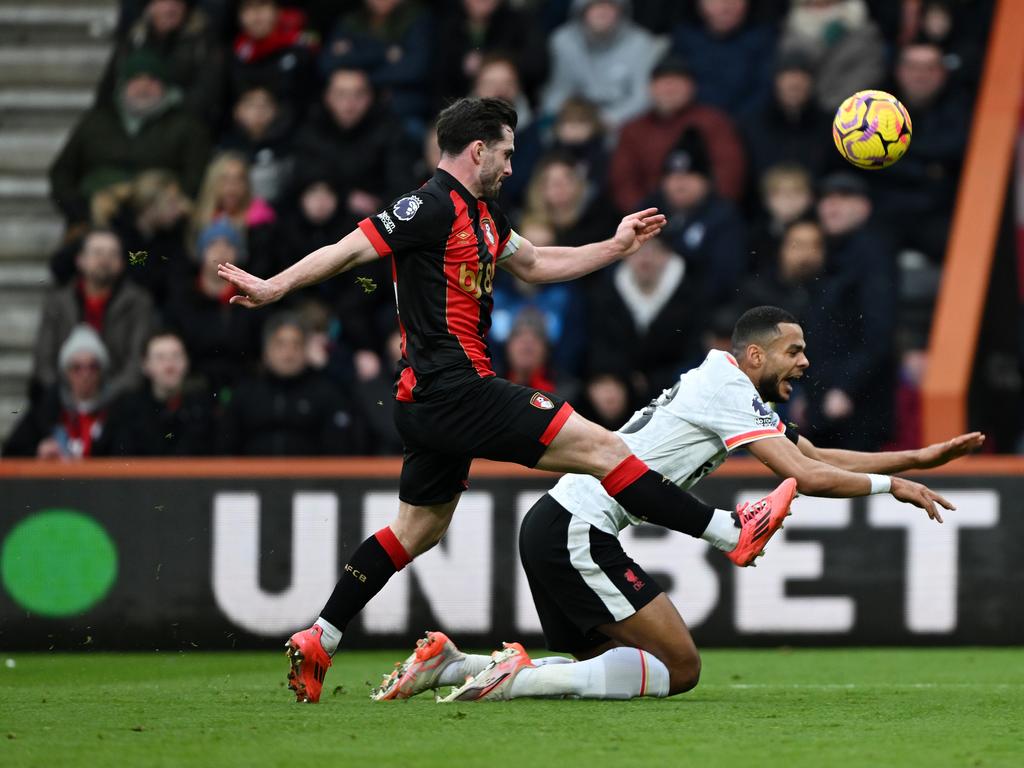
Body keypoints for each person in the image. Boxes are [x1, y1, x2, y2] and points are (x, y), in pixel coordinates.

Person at [216, 97, 798, 704]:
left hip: (430, 401)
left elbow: (540, 263)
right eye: (508, 153)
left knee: (417, 529)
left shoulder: (485, 216)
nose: (513, 166)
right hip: (456, 388)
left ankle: (321, 635)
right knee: (605, 448)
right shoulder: (430, 205)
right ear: (478, 150)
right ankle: (729, 532)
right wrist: (274, 286)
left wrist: (615, 246)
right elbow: (351, 250)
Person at [369, 306, 981, 703]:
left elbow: (817, 455)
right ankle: (513, 680)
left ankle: (452, 665)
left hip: (557, 523)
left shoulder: (726, 387)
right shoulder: (727, 389)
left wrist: (915, 459)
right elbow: (805, 476)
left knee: (616, 667)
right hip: (578, 528)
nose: (806, 361)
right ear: (755, 354)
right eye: (794, 350)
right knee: (679, 668)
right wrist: (892, 488)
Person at [49, 50, 211, 228]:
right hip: (97, 219)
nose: (144, 86)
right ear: (123, 85)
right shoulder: (96, 122)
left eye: (152, 80)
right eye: (136, 79)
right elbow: (62, 173)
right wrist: (83, 209)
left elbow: (197, 177)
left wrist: (171, 205)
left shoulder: (186, 126)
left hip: (162, 221)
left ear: (165, 87)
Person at [804, 172, 897, 450]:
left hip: (857, 404)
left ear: (864, 207)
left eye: (843, 198)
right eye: (826, 199)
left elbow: (878, 332)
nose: (832, 206)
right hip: (822, 397)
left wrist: (845, 388)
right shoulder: (822, 252)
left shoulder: (874, 254)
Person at [32, 228, 154, 405]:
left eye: (112, 254)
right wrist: (70, 395)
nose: (105, 260)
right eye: (97, 253)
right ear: (80, 261)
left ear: (121, 263)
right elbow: (44, 359)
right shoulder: (58, 302)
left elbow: (137, 363)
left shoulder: (139, 303)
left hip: (120, 402)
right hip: (63, 401)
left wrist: (103, 397)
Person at [609, 54, 745, 212]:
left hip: (705, 218)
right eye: (663, 82)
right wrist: (643, 219)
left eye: (677, 82)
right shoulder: (633, 130)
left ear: (692, 87)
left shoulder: (714, 122)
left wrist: (709, 216)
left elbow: (730, 175)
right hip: (649, 220)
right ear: (649, 88)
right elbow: (623, 182)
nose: (670, 88)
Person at [218, 312, 364, 456]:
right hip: (250, 478)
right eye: (280, 345)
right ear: (266, 350)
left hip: (312, 478)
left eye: (296, 345)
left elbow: (338, 451)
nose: (288, 354)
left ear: (306, 350)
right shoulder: (245, 393)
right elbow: (225, 448)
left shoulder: (326, 393)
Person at [541, 0, 668, 132]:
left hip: (623, 121)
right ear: (582, 11)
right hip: (577, 118)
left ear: (621, 11)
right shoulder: (563, 41)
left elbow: (643, 97)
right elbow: (560, 89)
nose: (603, 12)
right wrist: (553, 118)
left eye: (610, 6)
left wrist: (607, 119)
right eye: (596, 6)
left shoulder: (642, 43)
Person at [96, 0, 226, 126]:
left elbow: (206, 93)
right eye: (162, 2)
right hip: (131, 121)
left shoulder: (204, 41)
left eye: (177, 3)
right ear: (149, 7)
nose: (170, 9)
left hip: (183, 125)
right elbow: (109, 86)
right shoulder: (133, 39)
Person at [94, 329, 212, 456]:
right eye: (160, 358)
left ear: (187, 362)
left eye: (176, 356)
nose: (169, 365)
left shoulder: (202, 411)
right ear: (145, 365)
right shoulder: (126, 411)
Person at [5, 326, 113, 459]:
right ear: (66, 372)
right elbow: (11, 452)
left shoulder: (116, 412)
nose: (86, 375)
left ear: (101, 371)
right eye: (77, 368)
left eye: (92, 367)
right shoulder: (46, 409)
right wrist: (38, 451)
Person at [669, 0, 775, 119]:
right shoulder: (684, 37)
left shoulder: (763, 38)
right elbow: (671, 85)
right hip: (691, 124)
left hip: (745, 126)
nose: (725, 7)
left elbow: (764, 90)